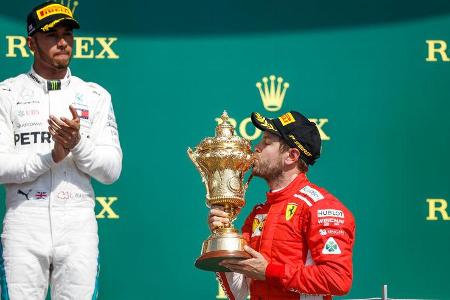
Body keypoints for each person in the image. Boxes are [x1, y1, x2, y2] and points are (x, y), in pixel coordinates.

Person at [0, 1, 122, 299]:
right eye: (51, 35)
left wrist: (77, 144)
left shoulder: (95, 95)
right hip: (24, 223)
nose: (63, 42)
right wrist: (51, 156)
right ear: (31, 43)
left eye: (67, 34)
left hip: (78, 223)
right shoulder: (7, 93)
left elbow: (111, 171)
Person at [208, 111, 355, 300]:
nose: (257, 148)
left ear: (291, 156)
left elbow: (338, 279)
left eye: (267, 142)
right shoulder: (258, 212)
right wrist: (223, 238)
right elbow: (239, 292)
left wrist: (270, 271)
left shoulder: (320, 207)